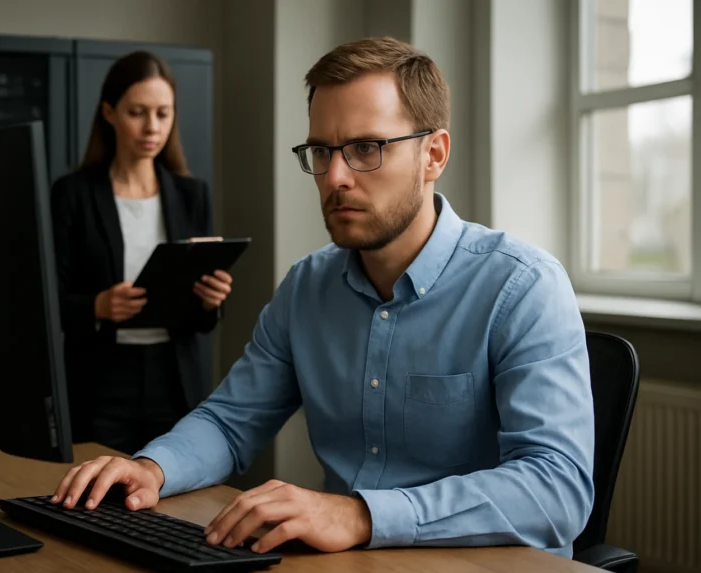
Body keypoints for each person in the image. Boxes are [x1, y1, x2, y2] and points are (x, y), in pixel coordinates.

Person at [50, 37, 595, 558]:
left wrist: (361, 516)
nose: (334, 177)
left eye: (366, 149)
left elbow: (558, 489)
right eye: (320, 150)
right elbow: (229, 421)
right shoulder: (307, 288)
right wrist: (152, 468)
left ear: (434, 154)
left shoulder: (523, 287)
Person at [50, 51, 234, 455]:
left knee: (173, 496)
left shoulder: (191, 195)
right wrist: (97, 306)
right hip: (100, 378)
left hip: (174, 376)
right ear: (109, 113)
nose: (152, 127)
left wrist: (212, 300)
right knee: (92, 498)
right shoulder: (73, 194)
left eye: (163, 114)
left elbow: (204, 322)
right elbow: (46, 301)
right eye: (137, 112)